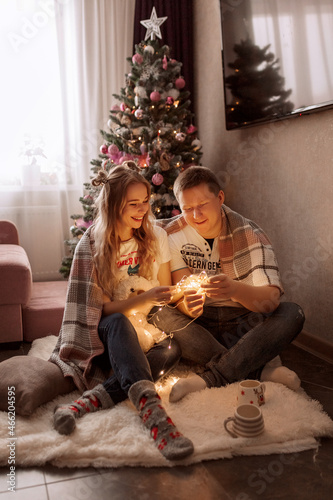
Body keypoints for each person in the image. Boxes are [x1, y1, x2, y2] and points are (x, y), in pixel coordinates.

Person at [49, 163, 194, 461]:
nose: (142, 210)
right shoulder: (92, 244)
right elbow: (98, 309)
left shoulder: (155, 235)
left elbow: (164, 290)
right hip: (106, 335)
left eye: (145, 202)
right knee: (117, 322)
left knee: (170, 349)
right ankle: (156, 419)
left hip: (145, 327)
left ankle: (82, 405)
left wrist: (166, 295)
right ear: (113, 205)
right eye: (133, 204)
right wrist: (142, 299)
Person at [148, 166, 305, 402]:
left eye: (202, 205)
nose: (195, 215)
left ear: (220, 198)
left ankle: (209, 378)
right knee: (157, 311)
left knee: (293, 313)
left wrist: (234, 289)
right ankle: (257, 369)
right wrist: (188, 306)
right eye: (187, 209)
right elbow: (179, 294)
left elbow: (270, 301)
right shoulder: (171, 234)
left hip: (243, 323)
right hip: (199, 326)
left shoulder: (249, 233)